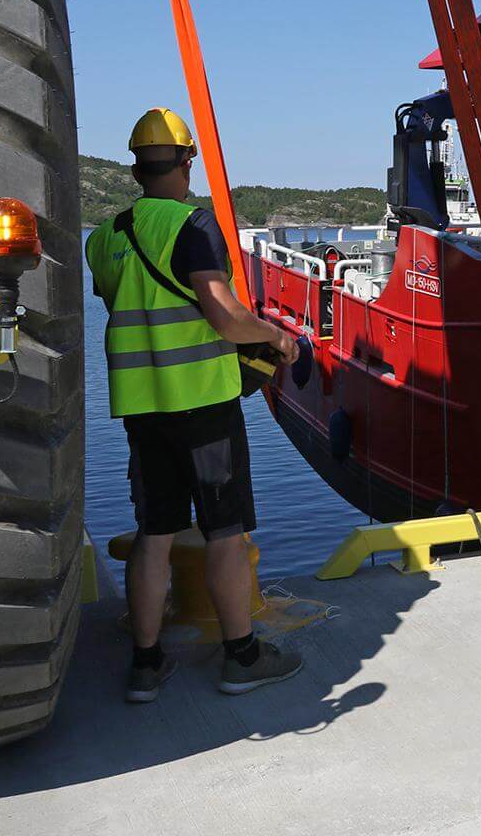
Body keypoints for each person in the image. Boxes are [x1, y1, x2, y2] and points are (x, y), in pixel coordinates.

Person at [83, 107, 303, 704]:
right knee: (225, 533)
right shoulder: (193, 225)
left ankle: (146, 665)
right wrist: (275, 337)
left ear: (134, 167)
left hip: (141, 405)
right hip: (204, 404)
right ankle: (242, 657)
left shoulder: (103, 240)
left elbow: (127, 309)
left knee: (154, 533)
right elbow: (223, 316)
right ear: (186, 162)